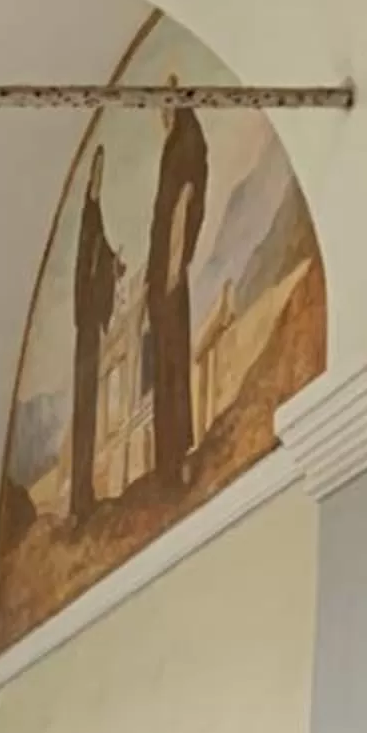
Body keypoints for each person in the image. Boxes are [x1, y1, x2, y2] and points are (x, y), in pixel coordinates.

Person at [148, 88, 209, 487]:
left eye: (165, 109)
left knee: (173, 360)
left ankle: (178, 451)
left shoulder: (185, 145)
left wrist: (172, 264)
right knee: (163, 365)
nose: (162, 117)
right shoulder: (173, 148)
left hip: (171, 274)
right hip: (162, 276)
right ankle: (166, 458)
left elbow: (187, 201)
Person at [70, 146, 122, 522]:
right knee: (85, 410)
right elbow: (89, 272)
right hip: (86, 329)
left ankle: (84, 497)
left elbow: (99, 261)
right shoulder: (89, 220)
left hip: (90, 325)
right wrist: (108, 271)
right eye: (98, 174)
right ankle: (79, 499)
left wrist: (113, 267)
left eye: (104, 173)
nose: (101, 181)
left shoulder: (96, 220)